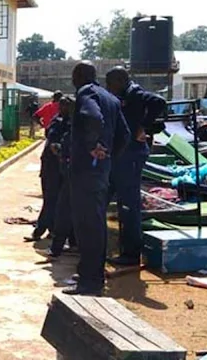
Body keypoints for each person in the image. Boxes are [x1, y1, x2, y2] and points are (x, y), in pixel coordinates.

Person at [63, 62, 129, 296]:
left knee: (87, 226)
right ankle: (91, 273)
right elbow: (125, 135)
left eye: (73, 76)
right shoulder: (110, 98)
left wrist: (94, 147)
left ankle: (90, 282)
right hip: (100, 172)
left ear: (79, 76)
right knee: (96, 223)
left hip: (86, 172)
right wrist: (108, 157)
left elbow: (92, 117)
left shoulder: (86, 92)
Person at [106, 67, 167, 266]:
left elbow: (159, 102)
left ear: (121, 80)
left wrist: (143, 126)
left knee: (129, 205)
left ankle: (131, 254)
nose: (109, 87)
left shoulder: (135, 93)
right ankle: (123, 248)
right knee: (120, 201)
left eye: (111, 82)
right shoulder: (124, 95)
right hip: (123, 155)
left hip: (132, 154)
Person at [24, 97, 64, 242]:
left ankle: (43, 231)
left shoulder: (59, 122)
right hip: (55, 166)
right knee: (54, 200)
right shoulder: (60, 122)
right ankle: (51, 230)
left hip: (55, 167)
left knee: (51, 200)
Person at [43, 97, 78, 258]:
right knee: (53, 200)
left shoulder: (76, 123)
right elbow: (52, 141)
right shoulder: (57, 122)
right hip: (53, 167)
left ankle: (68, 241)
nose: (64, 108)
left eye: (67, 105)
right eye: (62, 105)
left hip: (68, 170)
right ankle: (48, 230)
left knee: (65, 206)